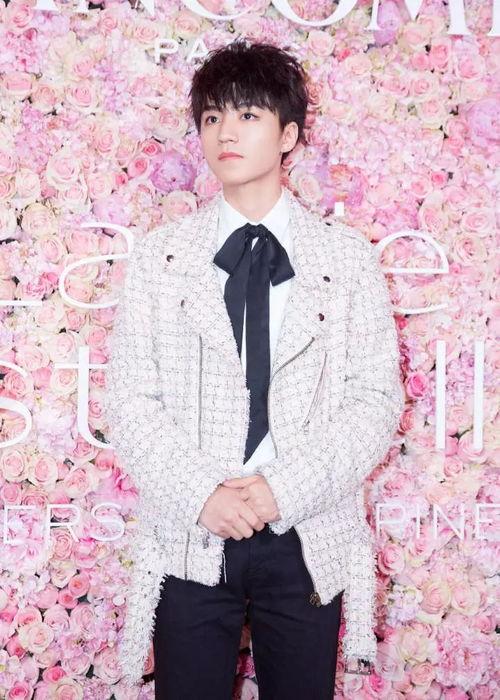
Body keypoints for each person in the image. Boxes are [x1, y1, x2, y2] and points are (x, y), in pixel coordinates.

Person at [104, 38, 404, 698]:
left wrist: (282, 490)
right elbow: (129, 400)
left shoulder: (345, 258)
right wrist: (202, 493)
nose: (225, 133)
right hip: (190, 530)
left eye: (247, 115)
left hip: (306, 529)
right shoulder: (161, 258)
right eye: (212, 117)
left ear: (288, 135)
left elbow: (374, 399)